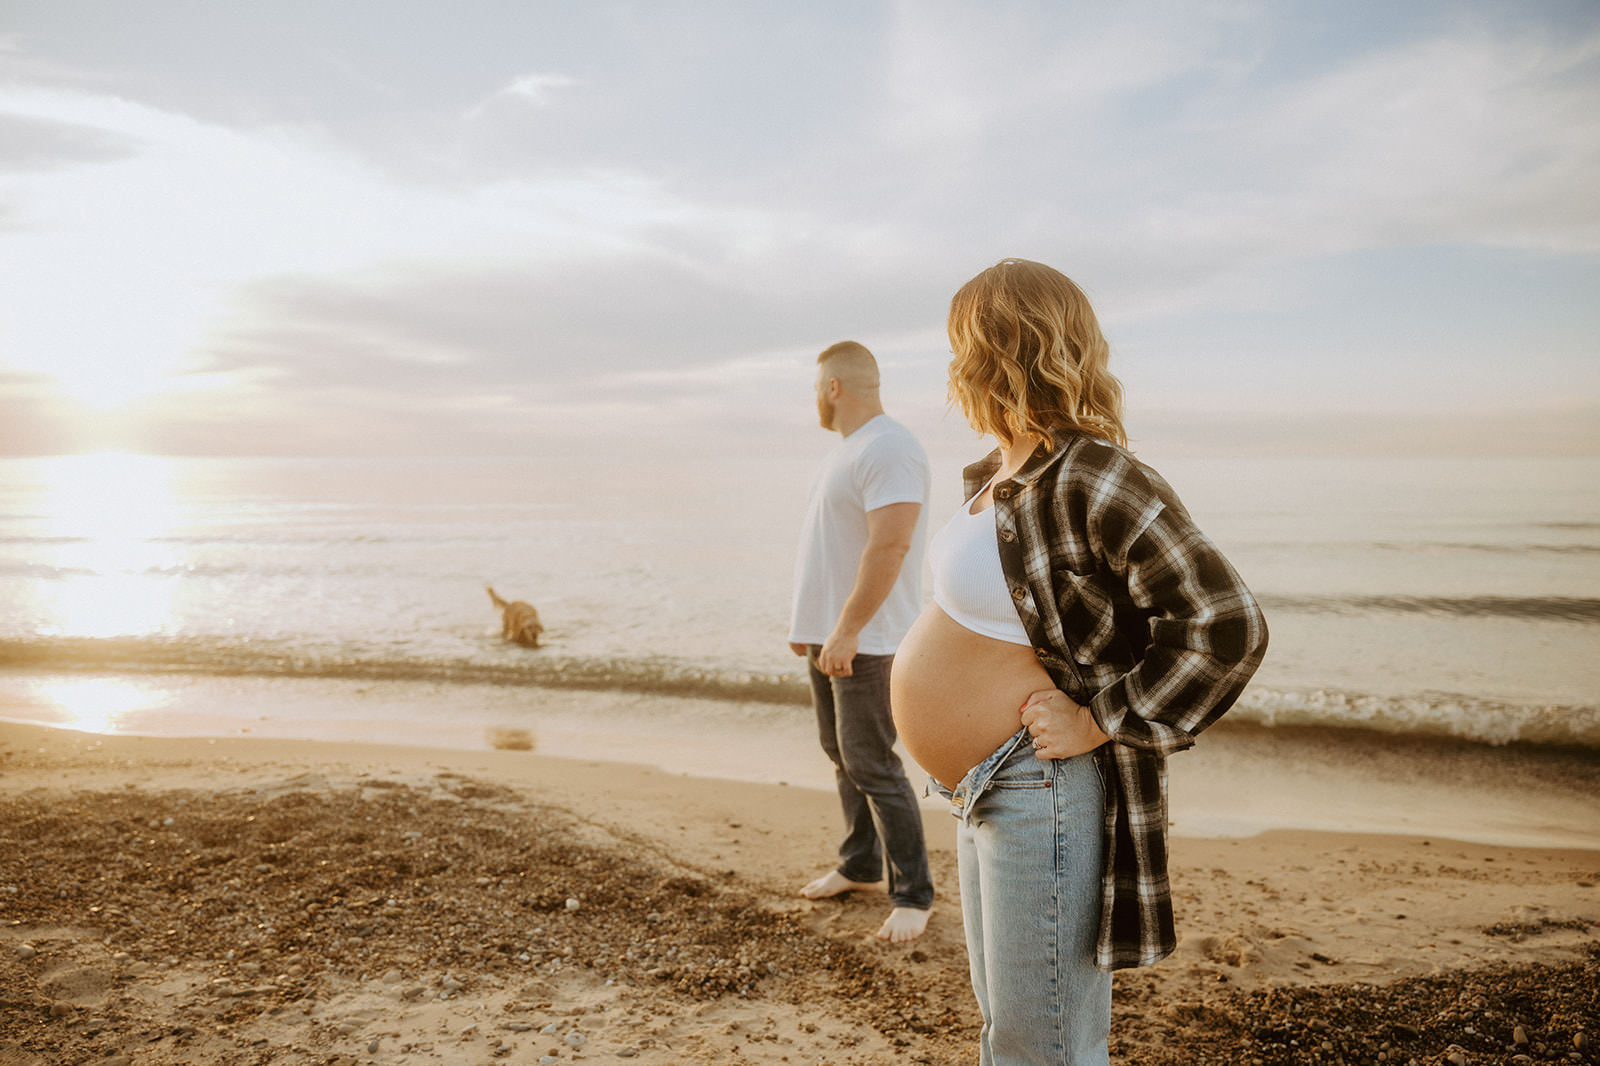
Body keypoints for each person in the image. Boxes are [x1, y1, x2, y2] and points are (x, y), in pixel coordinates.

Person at [889, 259, 1269, 1064]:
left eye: (960, 343)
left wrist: (1103, 720)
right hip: (981, 786)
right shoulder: (991, 476)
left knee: (1045, 1046)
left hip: (1040, 785)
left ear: (993, 349)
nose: (951, 364)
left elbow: (1225, 624)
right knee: (1012, 1034)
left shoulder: (1093, 475)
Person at [787, 340, 936, 943]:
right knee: (841, 754)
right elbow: (831, 548)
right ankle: (859, 864)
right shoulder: (848, 451)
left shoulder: (891, 447)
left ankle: (914, 894)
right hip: (834, 636)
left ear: (833, 387)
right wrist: (810, 627)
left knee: (872, 763)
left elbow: (890, 546)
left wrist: (847, 629)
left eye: (815, 385)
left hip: (868, 640)